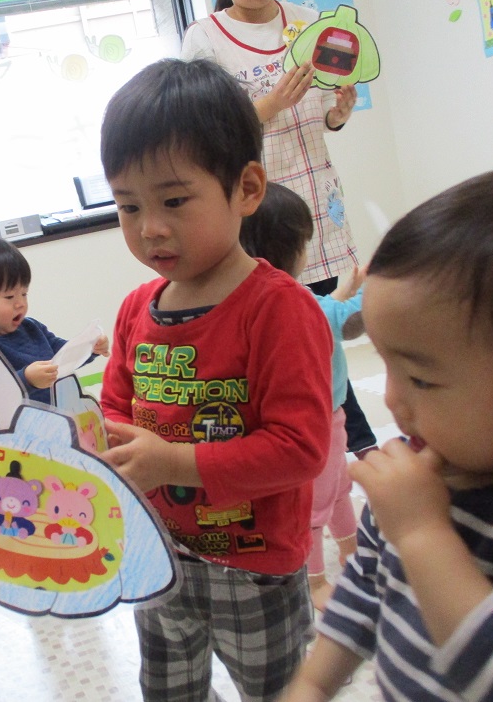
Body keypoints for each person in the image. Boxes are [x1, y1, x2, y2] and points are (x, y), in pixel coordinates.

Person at [280, 169, 493, 702]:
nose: (393, 399)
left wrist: (422, 535)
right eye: (388, 367)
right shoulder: (414, 479)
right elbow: (365, 590)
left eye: (422, 378)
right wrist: (313, 682)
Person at [98, 57, 333, 702]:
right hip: (158, 557)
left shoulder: (280, 309)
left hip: (253, 568)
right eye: (128, 206)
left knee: (278, 691)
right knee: (168, 690)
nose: (150, 227)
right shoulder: (135, 310)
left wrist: (171, 460)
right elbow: (114, 412)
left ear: (247, 190)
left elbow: (301, 447)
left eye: (175, 200)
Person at [182, 0, 378, 458]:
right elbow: (207, 130)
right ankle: (338, 444)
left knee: (326, 326)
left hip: (318, 198)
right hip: (261, 209)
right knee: (293, 334)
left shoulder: (310, 23)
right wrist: (270, 105)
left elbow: (322, 121)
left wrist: (338, 115)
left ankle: (350, 444)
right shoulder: (205, 38)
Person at [240, 182, 362, 612]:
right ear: (293, 250)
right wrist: (378, 285)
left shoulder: (257, 304)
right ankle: (314, 583)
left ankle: (353, 555)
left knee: (338, 488)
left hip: (302, 423)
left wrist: (345, 292)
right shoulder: (304, 305)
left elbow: (328, 308)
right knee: (314, 503)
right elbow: (345, 319)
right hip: (318, 424)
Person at [0, 236, 110, 404]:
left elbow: (64, 355)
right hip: (23, 426)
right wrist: (27, 379)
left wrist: (89, 348)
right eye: (9, 297)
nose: (20, 303)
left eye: (24, 293)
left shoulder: (31, 328)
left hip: (61, 413)